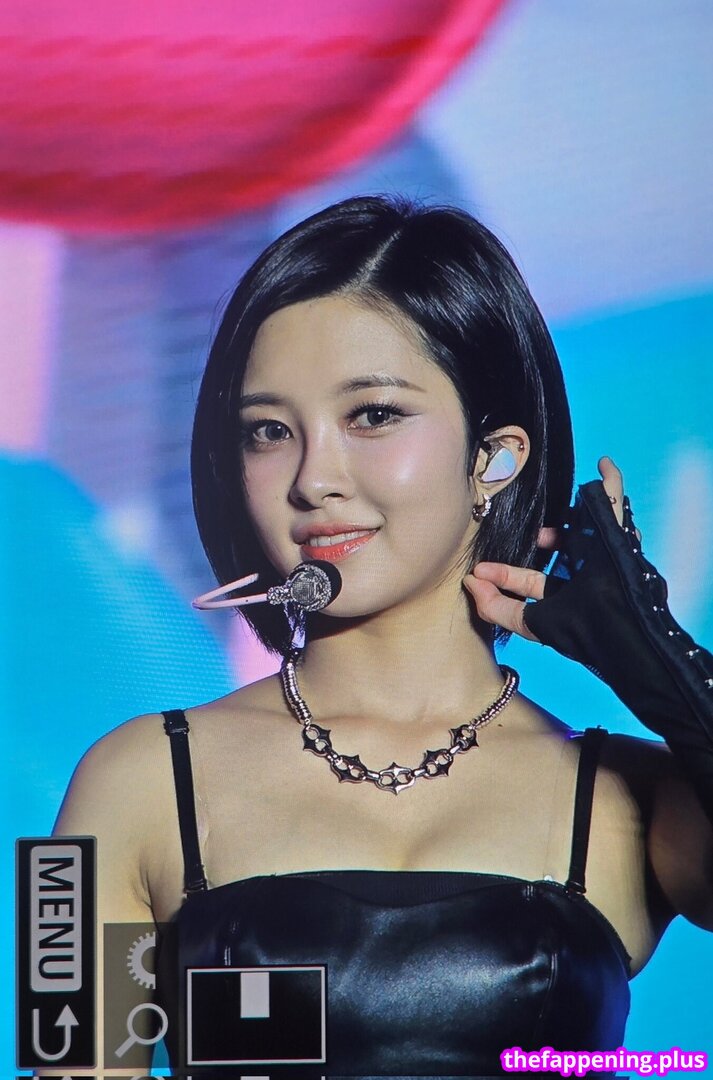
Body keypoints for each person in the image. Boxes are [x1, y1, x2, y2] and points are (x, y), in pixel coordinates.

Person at [55, 195, 713, 1078]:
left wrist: (674, 675)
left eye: (372, 415)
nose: (312, 479)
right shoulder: (122, 781)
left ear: (494, 457)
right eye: (268, 431)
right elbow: (67, 1059)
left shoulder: (640, 797)